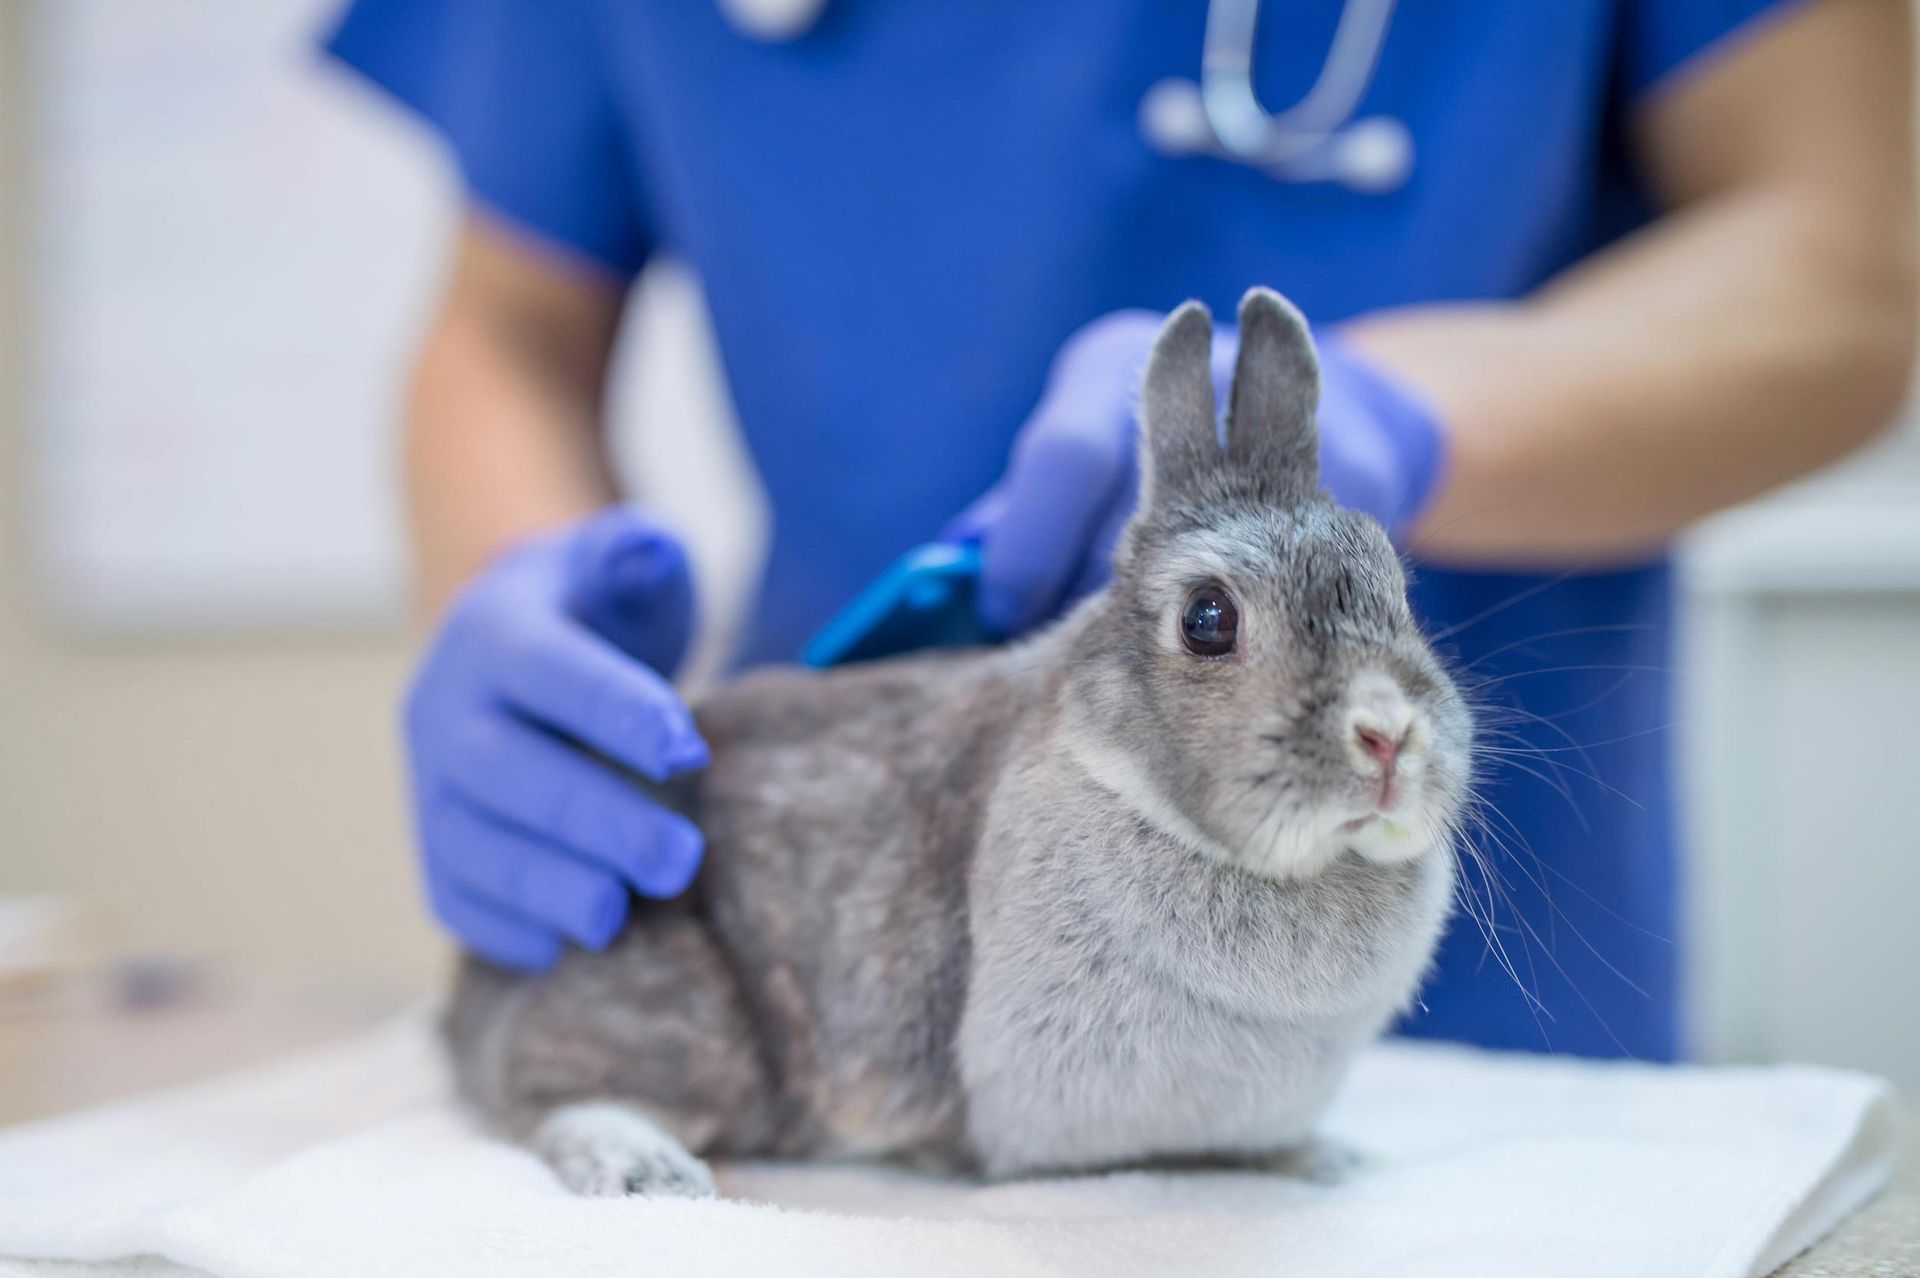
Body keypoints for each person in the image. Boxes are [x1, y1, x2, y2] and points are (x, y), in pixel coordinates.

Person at [329, 0, 1916, 1059]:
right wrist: (528, 607)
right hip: (864, 942)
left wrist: (1397, 420)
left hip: (1486, 1019)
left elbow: (1843, 258)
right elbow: (509, 324)